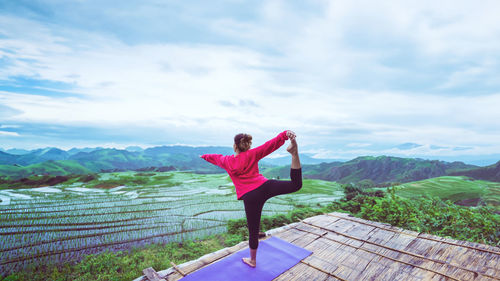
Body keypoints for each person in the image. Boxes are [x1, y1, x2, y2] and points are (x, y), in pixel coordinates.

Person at [200, 130, 302, 268]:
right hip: (265, 186)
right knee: (296, 184)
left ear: (235, 146)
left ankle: (253, 260)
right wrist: (284, 135)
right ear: (247, 146)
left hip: (250, 196)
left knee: (253, 231)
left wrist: (204, 156)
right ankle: (294, 154)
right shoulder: (252, 154)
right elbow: (269, 145)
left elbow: (214, 157)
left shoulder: (226, 161)